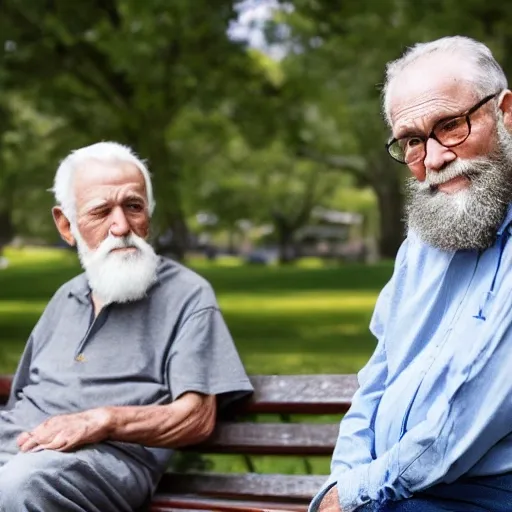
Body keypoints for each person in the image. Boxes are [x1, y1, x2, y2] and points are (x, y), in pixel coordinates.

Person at [310, 36, 512, 512]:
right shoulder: (421, 241)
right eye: (414, 142)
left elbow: (468, 423)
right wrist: (344, 481)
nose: (436, 158)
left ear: (506, 113)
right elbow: (377, 377)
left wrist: (354, 495)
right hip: (395, 493)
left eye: (452, 126)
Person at [0, 142, 253, 511]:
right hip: (18, 447)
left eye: (133, 206)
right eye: (101, 211)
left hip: (97, 462)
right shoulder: (65, 298)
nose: (121, 226)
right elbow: (20, 400)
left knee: (18, 486)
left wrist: (103, 420)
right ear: (66, 226)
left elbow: (197, 417)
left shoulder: (187, 294)